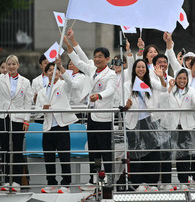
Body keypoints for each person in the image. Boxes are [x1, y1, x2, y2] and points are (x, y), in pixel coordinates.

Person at [65, 29, 117, 190]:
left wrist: (99, 96)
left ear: (107, 59)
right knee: (93, 150)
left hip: (104, 117)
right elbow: (79, 59)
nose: (96, 59)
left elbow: (110, 91)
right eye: (95, 56)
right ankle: (93, 177)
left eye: (100, 56)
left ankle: (107, 176)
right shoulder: (92, 69)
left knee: (105, 150)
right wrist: (70, 43)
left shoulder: (111, 74)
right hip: (92, 117)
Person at [122, 59, 168, 192]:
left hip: (150, 120)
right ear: (134, 69)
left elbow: (164, 88)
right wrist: (127, 105)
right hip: (134, 122)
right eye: (138, 67)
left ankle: (152, 182)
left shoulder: (150, 82)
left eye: (143, 67)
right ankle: (137, 183)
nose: (141, 69)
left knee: (153, 151)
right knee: (137, 152)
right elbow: (123, 103)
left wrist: (160, 77)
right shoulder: (127, 85)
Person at [36, 60, 78, 194]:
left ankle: (66, 183)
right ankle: (51, 182)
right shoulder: (42, 91)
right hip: (48, 126)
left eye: (55, 70)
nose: (52, 72)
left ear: (59, 72)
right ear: (46, 73)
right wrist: (43, 108)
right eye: (49, 70)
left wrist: (60, 65)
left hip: (61, 125)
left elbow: (71, 82)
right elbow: (37, 110)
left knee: (64, 156)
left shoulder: (63, 85)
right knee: (48, 156)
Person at [159, 69, 195, 191]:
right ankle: (166, 182)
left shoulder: (191, 90)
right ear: (176, 78)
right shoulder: (169, 88)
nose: (182, 81)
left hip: (185, 126)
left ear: (187, 80)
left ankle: (183, 182)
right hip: (170, 125)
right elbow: (162, 100)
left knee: (183, 156)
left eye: (184, 78)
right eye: (180, 78)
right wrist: (169, 88)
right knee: (167, 154)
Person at [0, 55, 32, 192]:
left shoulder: (25, 81)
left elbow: (28, 102)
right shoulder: (1, 79)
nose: (11, 67)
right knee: (5, 150)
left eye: (14, 64)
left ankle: (17, 181)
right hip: (3, 116)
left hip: (18, 118)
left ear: (18, 65)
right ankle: (6, 180)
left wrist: (27, 119)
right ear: (6, 66)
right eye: (9, 64)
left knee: (18, 149)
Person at [31, 55, 49, 123]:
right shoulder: (35, 81)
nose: (47, 65)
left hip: (53, 112)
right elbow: (31, 100)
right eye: (45, 63)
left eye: (49, 63)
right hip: (40, 113)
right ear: (41, 65)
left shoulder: (57, 79)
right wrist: (34, 98)